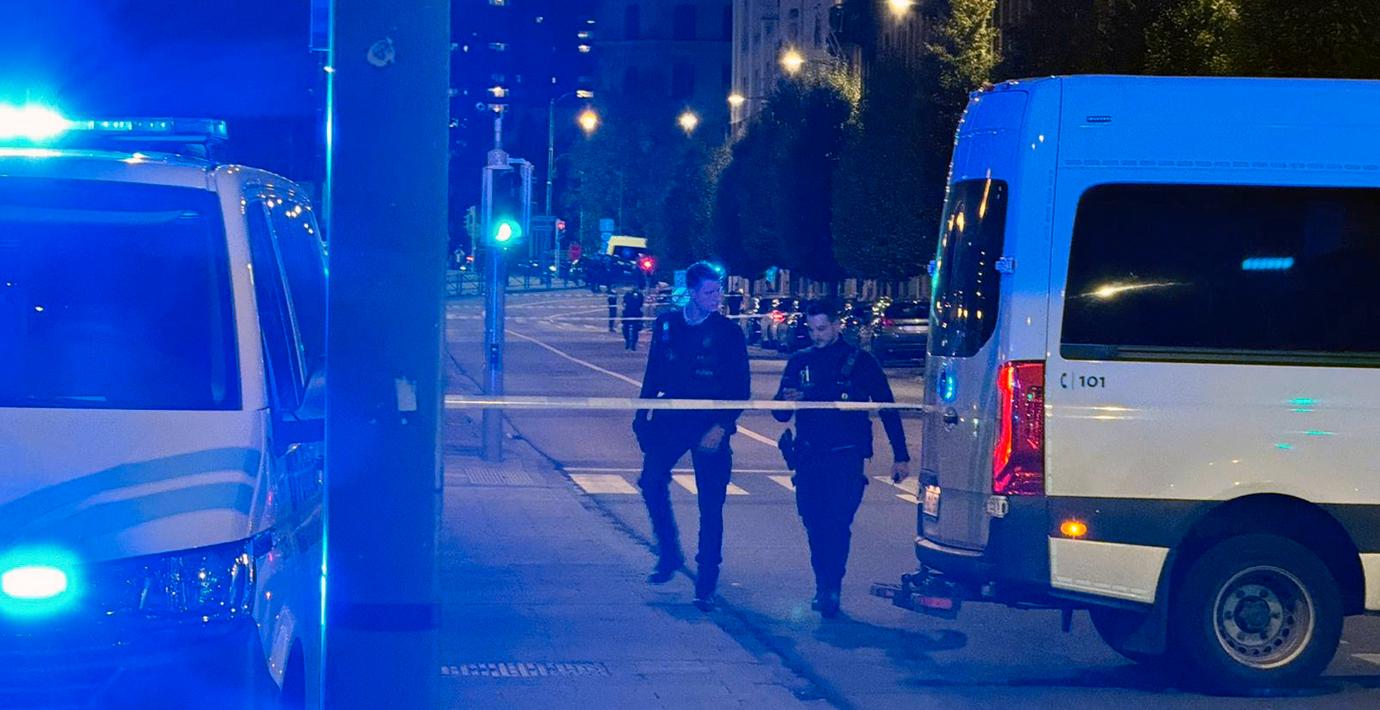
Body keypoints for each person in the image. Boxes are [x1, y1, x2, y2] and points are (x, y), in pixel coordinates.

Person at [774, 299, 910, 618]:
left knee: (837, 523)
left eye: (822, 328)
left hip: (845, 456)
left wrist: (901, 456)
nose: (816, 335)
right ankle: (823, 583)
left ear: (836, 326)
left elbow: (887, 408)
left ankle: (831, 586)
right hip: (809, 455)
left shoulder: (861, 362)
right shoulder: (800, 361)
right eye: (812, 329)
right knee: (813, 522)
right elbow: (780, 414)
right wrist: (785, 399)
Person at [633, 262, 750, 611]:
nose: (716, 298)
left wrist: (722, 426)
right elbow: (653, 372)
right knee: (650, 480)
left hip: (710, 423)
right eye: (709, 292)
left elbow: (740, 388)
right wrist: (641, 414)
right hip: (671, 420)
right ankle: (669, 552)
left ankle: (706, 580)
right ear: (692, 293)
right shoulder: (667, 324)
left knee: (710, 503)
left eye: (718, 291)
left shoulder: (728, 332)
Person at [621, 286, 646, 350]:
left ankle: (630, 343)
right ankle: (631, 343)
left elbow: (624, 303)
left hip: (630, 313)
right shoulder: (638, 294)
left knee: (631, 329)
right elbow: (641, 304)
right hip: (633, 313)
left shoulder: (629, 294)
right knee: (632, 329)